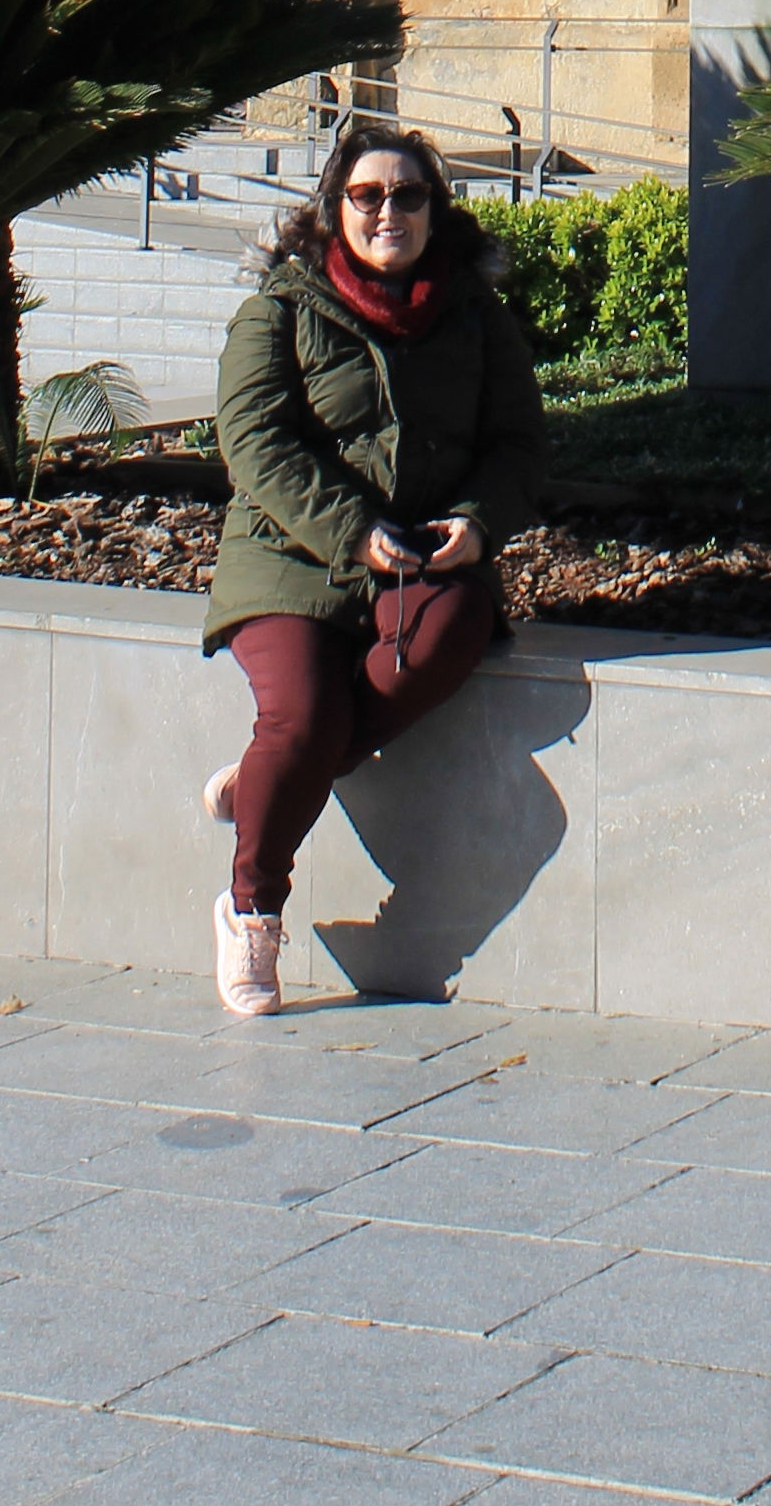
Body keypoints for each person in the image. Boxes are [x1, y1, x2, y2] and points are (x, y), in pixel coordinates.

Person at [199, 116, 546, 1016]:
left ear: (435, 211)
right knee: (302, 715)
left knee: (454, 631)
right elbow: (252, 443)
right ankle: (251, 912)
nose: (388, 210)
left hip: (422, 562)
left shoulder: (475, 315)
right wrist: (351, 529)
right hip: (291, 560)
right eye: (367, 195)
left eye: (408, 195)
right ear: (335, 209)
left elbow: (518, 444)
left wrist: (476, 523)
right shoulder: (279, 309)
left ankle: (273, 777)